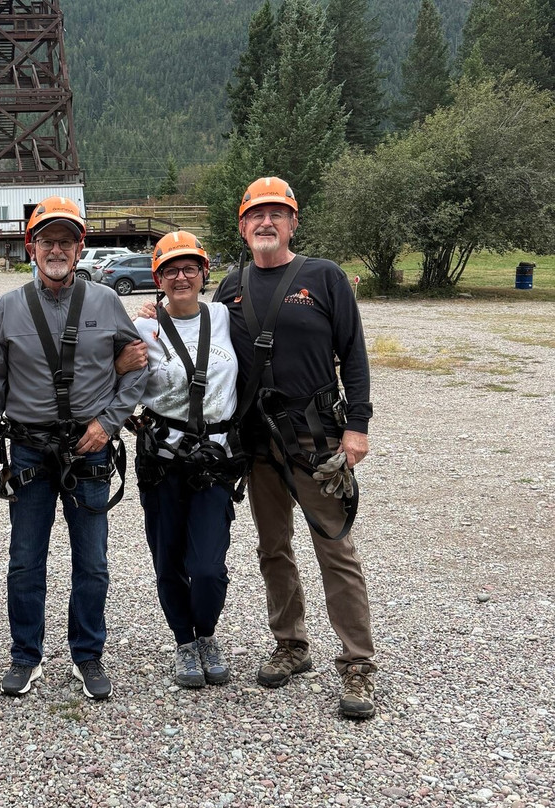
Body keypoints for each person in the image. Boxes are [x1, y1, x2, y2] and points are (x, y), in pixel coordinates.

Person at [213, 176, 377, 719]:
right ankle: (291, 643)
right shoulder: (230, 288)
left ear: (292, 223)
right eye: (256, 215)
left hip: (316, 439)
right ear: (243, 226)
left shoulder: (324, 277)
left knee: (335, 546)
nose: (266, 222)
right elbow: (206, 349)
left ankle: (357, 663)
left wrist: (357, 425)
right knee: (273, 547)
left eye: (276, 214)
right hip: (257, 441)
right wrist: (152, 319)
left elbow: (353, 353)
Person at [0, 196, 148, 700]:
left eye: (66, 241)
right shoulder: (7, 308)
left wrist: (109, 423)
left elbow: (137, 366)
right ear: (31, 247)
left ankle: (87, 655)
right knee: (25, 560)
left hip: (89, 451)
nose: (56, 249)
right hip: (29, 451)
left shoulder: (106, 302)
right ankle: (25, 656)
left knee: (92, 562)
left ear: (80, 247)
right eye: (47, 240)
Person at [130, 231, 241, 689]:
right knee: (168, 558)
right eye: (170, 270)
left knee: (208, 567)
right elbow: (108, 373)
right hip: (163, 460)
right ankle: (185, 641)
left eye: (189, 268)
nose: (181, 277)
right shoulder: (142, 329)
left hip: (214, 460)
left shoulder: (225, 316)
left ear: (203, 273)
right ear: (157, 278)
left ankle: (207, 633)